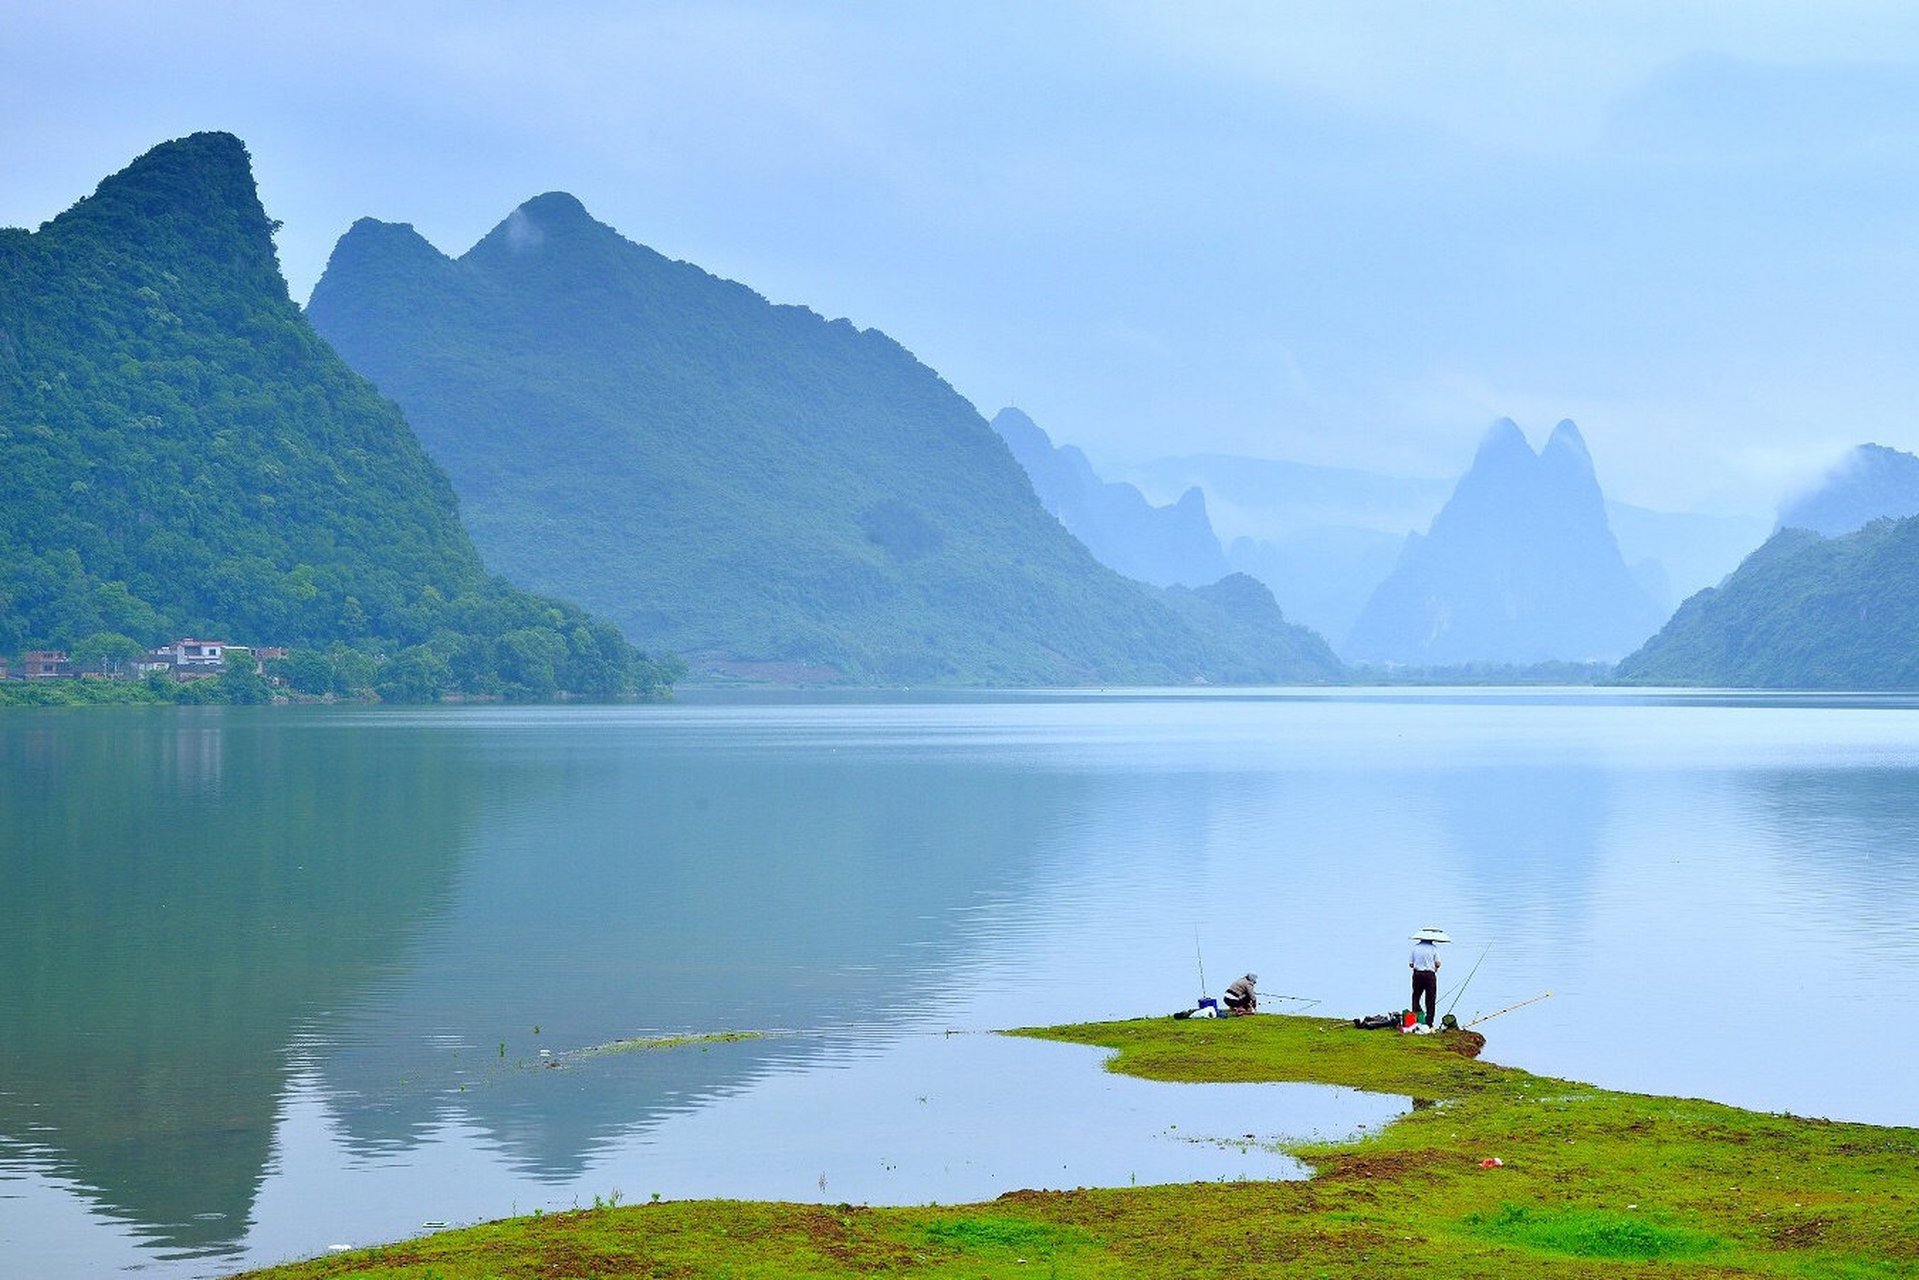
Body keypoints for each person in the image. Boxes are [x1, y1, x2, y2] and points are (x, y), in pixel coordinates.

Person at [1408, 927, 1449, 1026]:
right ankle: (1429, 1022)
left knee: (1416, 996)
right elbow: (1438, 963)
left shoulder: (1415, 948)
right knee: (1430, 999)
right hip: (1429, 976)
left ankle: (1415, 1019)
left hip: (1417, 974)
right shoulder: (1434, 948)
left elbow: (1411, 964)